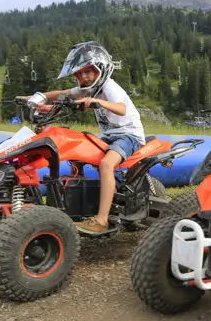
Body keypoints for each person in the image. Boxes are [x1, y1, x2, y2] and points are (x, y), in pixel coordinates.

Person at [18, 41, 146, 234]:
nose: (83, 77)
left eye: (87, 71)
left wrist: (97, 102)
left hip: (129, 135)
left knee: (106, 165)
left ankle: (102, 220)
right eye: (78, 73)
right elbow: (62, 94)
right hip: (110, 136)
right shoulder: (88, 89)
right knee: (78, 154)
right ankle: (77, 205)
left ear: (100, 69)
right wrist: (36, 98)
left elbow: (122, 109)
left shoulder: (110, 87)